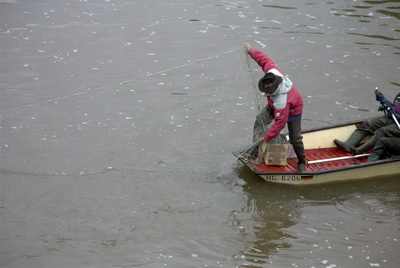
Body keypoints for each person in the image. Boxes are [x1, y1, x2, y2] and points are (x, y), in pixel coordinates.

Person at [244, 43, 306, 171]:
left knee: (295, 139)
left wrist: (266, 137)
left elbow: (280, 123)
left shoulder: (281, 101)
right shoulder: (272, 73)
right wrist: (251, 51)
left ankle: (302, 161)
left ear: (275, 89)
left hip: (293, 109)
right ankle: (255, 151)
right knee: (259, 120)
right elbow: (265, 60)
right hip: (274, 106)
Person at [334, 90, 400, 155]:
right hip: (392, 119)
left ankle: (359, 150)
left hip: (398, 123)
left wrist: (395, 114)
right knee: (368, 123)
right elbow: (396, 107)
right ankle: (348, 144)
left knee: (382, 131)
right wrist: (385, 103)